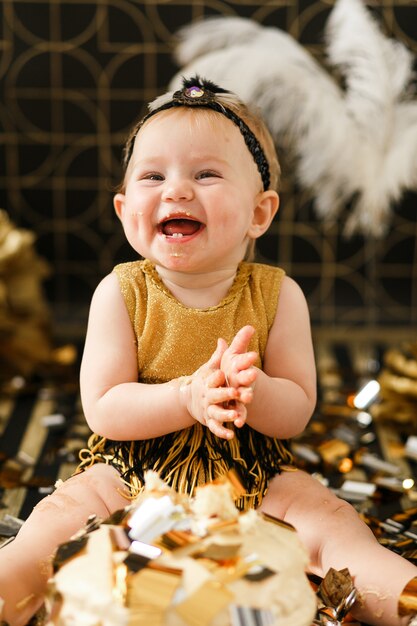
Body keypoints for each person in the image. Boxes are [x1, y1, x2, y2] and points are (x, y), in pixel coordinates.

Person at [0, 76, 416, 626]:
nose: (175, 190)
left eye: (206, 174)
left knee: (332, 523)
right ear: (125, 210)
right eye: (154, 176)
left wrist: (258, 391)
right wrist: (186, 397)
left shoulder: (277, 294)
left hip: (253, 471)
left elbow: (296, 411)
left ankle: (401, 598)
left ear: (259, 214)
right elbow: (104, 408)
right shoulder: (121, 292)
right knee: (56, 522)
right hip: (131, 471)